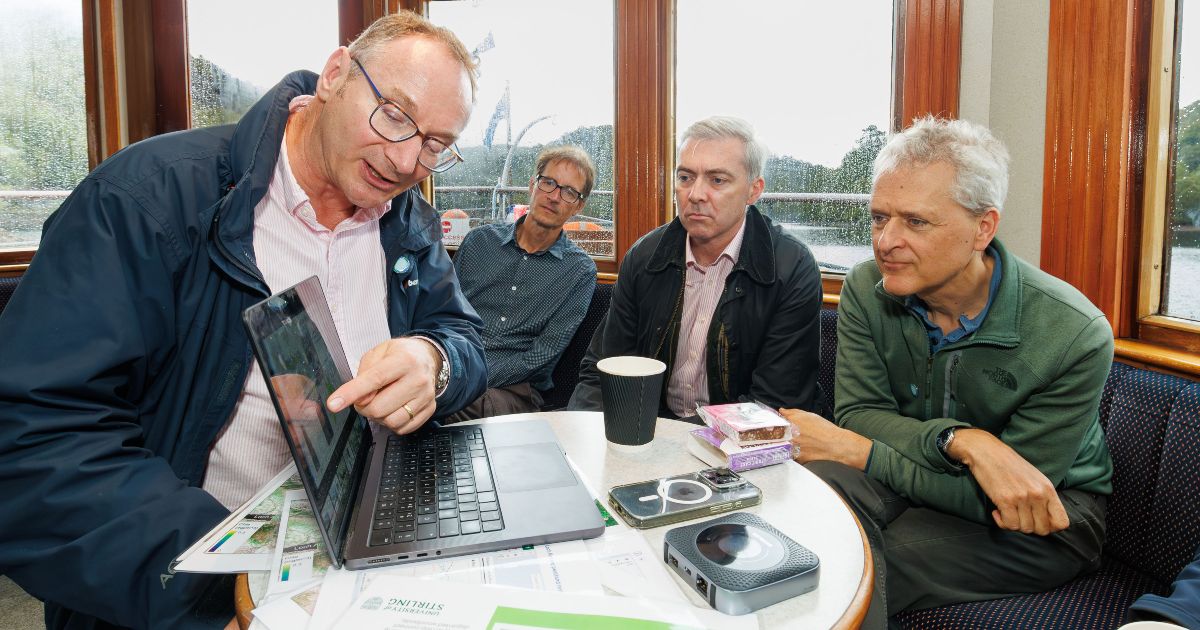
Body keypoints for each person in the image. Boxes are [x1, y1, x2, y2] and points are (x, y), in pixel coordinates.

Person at [0, 12, 488, 630]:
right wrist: (222, 586)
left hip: (354, 571)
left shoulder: (408, 223)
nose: (405, 159)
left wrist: (433, 361)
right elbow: (32, 441)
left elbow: (466, 339)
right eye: (394, 114)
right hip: (186, 597)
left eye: (436, 146)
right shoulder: (146, 199)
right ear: (336, 74)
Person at [782, 116, 1113, 628]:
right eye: (878, 217)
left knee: (845, 561)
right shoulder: (866, 289)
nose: (885, 241)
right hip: (916, 468)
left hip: (1046, 516)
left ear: (983, 228)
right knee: (790, 509)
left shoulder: (1074, 332)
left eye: (916, 222)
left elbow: (1013, 498)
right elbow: (860, 412)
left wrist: (863, 451)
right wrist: (962, 441)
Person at [568, 116, 823, 418]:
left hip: (740, 447)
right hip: (652, 432)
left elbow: (772, 404)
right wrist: (585, 446)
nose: (696, 194)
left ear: (754, 190)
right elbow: (603, 370)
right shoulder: (644, 257)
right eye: (686, 177)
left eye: (717, 180)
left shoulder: (792, 268)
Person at [448, 146, 598, 421]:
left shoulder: (579, 271)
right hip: (455, 364)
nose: (554, 197)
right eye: (549, 183)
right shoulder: (478, 242)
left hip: (514, 389)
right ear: (533, 184)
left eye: (568, 192)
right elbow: (447, 315)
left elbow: (543, 354)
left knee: (458, 406)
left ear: (579, 205)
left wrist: (471, 375)